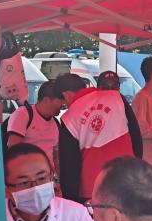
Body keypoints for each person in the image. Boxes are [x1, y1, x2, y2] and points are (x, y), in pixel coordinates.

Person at [57, 72, 141, 202]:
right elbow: (136, 138)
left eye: (64, 102)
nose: (65, 105)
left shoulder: (69, 117)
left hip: (92, 189)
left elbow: (69, 164)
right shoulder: (117, 98)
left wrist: (71, 200)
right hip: (126, 181)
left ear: (65, 95)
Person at [6, 81, 63, 164]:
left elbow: (57, 157)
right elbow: (13, 149)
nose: (63, 104)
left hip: (47, 171)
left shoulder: (56, 124)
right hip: (26, 170)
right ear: (46, 100)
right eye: (60, 101)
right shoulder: (23, 115)